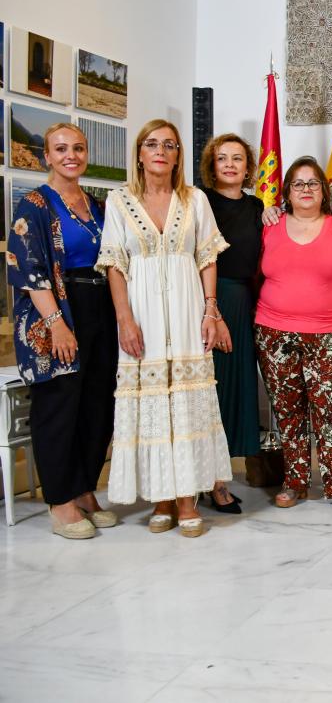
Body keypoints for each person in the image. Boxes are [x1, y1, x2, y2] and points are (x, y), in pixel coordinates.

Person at [96, 119, 232, 537]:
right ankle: (160, 497)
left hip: (189, 310)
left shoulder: (195, 201)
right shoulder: (118, 201)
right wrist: (124, 318)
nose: (160, 151)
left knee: (189, 402)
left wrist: (211, 311)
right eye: (152, 144)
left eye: (169, 145)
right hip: (142, 314)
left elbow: (207, 257)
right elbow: (114, 264)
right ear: (139, 153)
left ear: (177, 156)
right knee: (151, 404)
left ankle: (189, 498)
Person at [7, 123, 118, 539]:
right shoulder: (34, 205)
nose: (70, 155)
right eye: (60, 148)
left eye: (78, 147)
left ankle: (86, 488)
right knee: (60, 407)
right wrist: (57, 324)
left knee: (97, 404)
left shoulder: (97, 204)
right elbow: (29, 271)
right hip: (55, 311)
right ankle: (60, 501)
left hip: (100, 307)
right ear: (47, 156)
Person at [254, 157, 332, 513]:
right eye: (298, 184)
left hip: (326, 334)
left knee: (330, 412)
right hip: (273, 333)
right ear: (287, 191)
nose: (306, 189)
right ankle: (295, 481)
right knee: (288, 413)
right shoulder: (269, 227)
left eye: (313, 183)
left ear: (323, 191)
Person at [199, 133, 263, 512]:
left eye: (237, 158)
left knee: (238, 390)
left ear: (247, 166)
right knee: (212, 391)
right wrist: (213, 311)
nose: (229, 164)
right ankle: (211, 482)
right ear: (212, 164)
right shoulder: (200, 201)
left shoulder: (257, 207)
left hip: (245, 301)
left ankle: (220, 474)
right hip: (210, 302)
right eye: (222, 158)